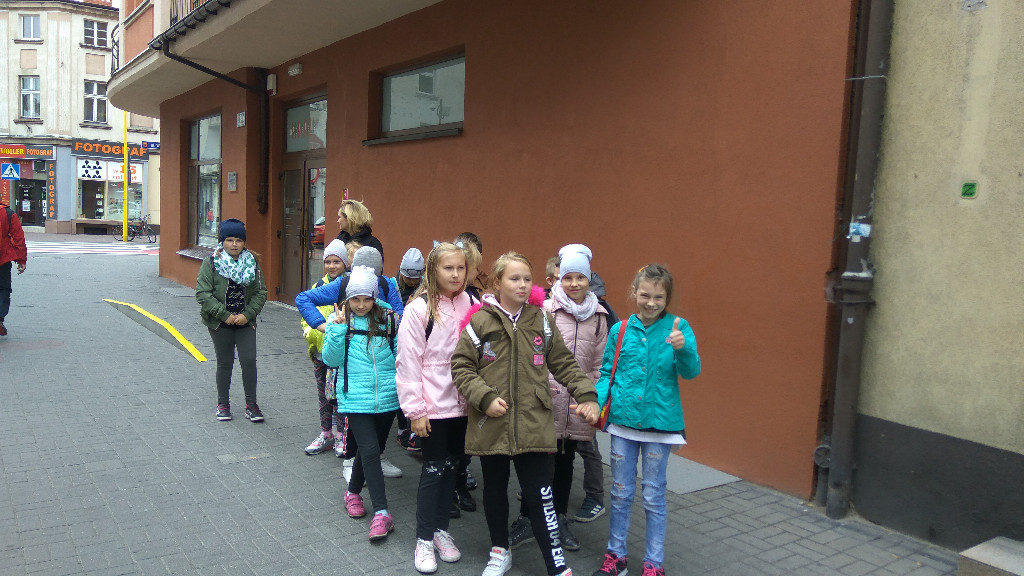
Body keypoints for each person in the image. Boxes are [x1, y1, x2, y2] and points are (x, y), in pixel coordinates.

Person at [451, 251, 600, 576]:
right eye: (514, 278)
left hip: (534, 424)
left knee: (541, 495)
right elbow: (461, 366)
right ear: (497, 282)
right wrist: (484, 397)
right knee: (495, 491)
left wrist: (587, 395)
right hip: (491, 423)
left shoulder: (541, 320)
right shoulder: (480, 321)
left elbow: (564, 363)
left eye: (527, 279)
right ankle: (499, 550)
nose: (522, 285)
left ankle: (556, 565)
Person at [591, 264, 702, 576]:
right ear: (635, 293)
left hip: (660, 426)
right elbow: (606, 373)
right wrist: (594, 403)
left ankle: (654, 564)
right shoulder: (620, 329)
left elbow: (691, 372)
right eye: (645, 295)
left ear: (667, 298)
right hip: (623, 423)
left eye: (658, 297)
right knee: (620, 492)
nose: (651, 303)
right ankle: (616, 557)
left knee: (653, 496)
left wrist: (683, 349)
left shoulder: (679, 328)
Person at [508, 245, 609, 553]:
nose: (574, 284)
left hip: (576, 407)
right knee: (537, 466)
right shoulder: (544, 310)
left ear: (589, 279)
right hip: (545, 402)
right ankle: (527, 518)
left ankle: (559, 519)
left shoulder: (599, 316)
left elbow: (598, 364)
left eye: (580, 277)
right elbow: (531, 355)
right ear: (558, 279)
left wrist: (591, 397)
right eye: (568, 277)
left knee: (565, 464)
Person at [395, 242, 475, 574]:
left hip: (464, 407)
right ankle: (424, 538)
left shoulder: (471, 303)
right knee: (433, 471)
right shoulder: (419, 310)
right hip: (433, 408)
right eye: (448, 268)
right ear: (433, 270)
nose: (455, 274)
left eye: (460, 268)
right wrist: (415, 411)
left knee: (453, 469)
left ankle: (442, 530)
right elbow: (408, 363)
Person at [295, 246, 404, 478]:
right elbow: (303, 298)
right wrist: (324, 326)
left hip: (379, 365)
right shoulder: (343, 285)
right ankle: (350, 461)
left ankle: (379, 457)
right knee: (351, 418)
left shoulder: (386, 285)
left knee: (380, 419)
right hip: (349, 363)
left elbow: (401, 316)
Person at [322, 266, 401, 542]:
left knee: (372, 449)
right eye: (355, 299)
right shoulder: (340, 320)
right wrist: (336, 329)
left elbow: (400, 356)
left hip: (388, 397)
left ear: (374, 297)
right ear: (347, 297)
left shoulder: (389, 319)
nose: (361, 305)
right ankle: (382, 512)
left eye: (367, 299)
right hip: (354, 398)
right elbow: (330, 360)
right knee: (370, 450)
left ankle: (352, 493)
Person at [195, 219, 268, 422]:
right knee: (225, 362)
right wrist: (224, 315)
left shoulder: (252, 262)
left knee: (249, 361)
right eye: (229, 240)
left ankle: (251, 404)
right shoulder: (211, 262)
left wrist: (247, 314)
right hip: (220, 322)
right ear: (222, 241)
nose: (234, 244)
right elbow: (203, 294)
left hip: (245, 321)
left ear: (244, 242)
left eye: (239, 240)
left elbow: (261, 292)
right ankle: (223, 403)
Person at [300, 239, 350, 455]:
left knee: (338, 395)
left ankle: (340, 436)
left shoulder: (350, 287)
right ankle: (325, 433)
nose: (331, 266)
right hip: (320, 352)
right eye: (328, 262)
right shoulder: (318, 288)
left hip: (341, 355)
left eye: (336, 261)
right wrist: (314, 333)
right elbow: (306, 317)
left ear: (345, 263)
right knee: (323, 395)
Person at [0, 202, 27, 337]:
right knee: (3, 289)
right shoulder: (8, 213)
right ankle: (0, 317)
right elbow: (18, 237)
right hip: (3, 259)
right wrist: (21, 260)